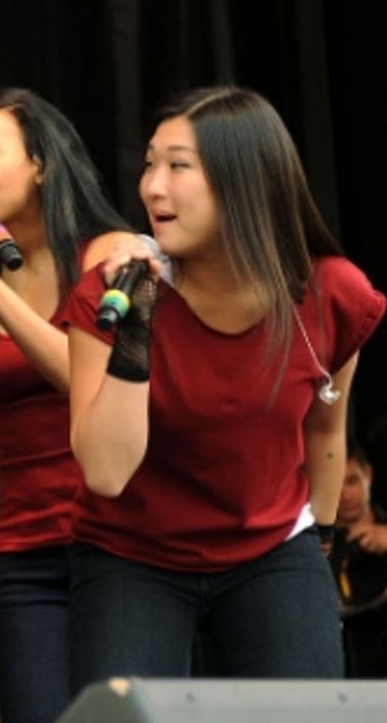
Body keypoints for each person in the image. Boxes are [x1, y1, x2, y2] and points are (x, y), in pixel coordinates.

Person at [66, 86, 384, 689]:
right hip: (132, 553)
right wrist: (136, 331)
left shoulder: (332, 294)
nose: (152, 187)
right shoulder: (112, 296)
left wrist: (319, 542)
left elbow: (325, 427)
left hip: (272, 547)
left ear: (245, 182)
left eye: (178, 166)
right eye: (150, 164)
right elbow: (106, 472)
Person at [0, 88, 129, 723]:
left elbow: (87, 375)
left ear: (42, 165)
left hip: (120, 544)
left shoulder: (107, 254)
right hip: (26, 554)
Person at [332, 441, 387, 676]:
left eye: (352, 481)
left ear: (369, 475)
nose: (345, 495)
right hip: (340, 670)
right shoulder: (313, 547)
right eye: (335, 484)